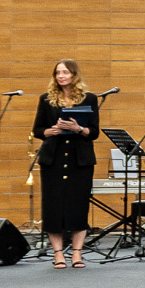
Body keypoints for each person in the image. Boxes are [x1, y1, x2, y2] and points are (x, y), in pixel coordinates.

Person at [30, 61, 102, 269]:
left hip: (80, 160)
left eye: (65, 72)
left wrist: (78, 128)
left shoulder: (89, 98)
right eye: (57, 73)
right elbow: (37, 129)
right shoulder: (46, 100)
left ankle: (77, 254)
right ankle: (58, 253)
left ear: (74, 75)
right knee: (53, 207)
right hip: (53, 159)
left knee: (78, 206)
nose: (61, 76)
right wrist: (49, 131)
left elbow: (94, 132)